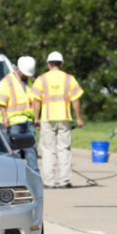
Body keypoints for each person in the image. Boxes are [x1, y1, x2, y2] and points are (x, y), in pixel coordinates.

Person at [31, 51, 85, 188]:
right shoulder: (69, 79)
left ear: (48, 64)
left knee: (48, 150)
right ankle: (64, 181)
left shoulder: (42, 79)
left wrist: (36, 117)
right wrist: (79, 118)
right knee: (64, 149)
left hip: (47, 118)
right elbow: (76, 100)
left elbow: (36, 101)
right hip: (64, 118)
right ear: (61, 64)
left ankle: (48, 182)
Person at [0, 56, 39, 172]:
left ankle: (33, 174)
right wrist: (5, 117)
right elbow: (1, 101)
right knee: (16, 150)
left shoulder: (31, 81)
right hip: (14, 121)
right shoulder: (8, 80)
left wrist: (36, 118)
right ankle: (16, 174)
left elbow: (34, 100)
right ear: (19, 69)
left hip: (28, 120)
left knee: (31, 149)